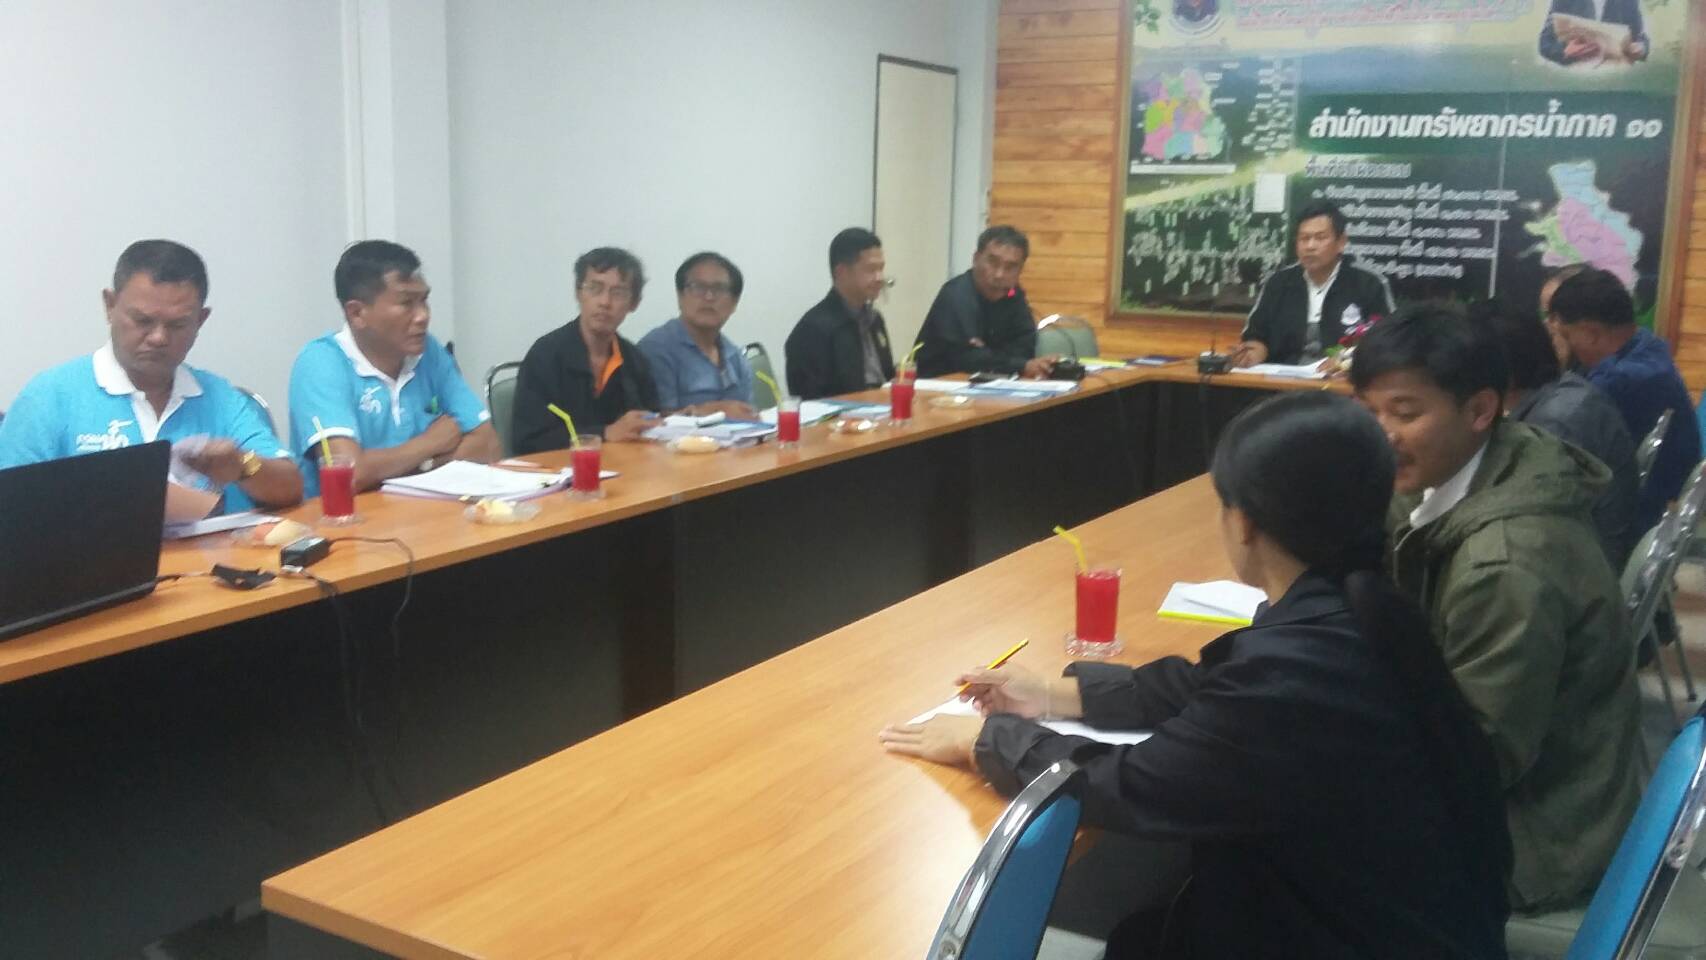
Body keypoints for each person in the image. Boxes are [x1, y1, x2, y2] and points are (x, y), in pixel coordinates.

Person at [879, 391, 1510, 957]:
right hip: (1374, 917)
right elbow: (1208, 685)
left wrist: (985, 741)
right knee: (1140, 935)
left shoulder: (1302, 669)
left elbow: (1127, 786)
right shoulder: (1359, 607)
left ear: (1244, 521)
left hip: (1335, 934)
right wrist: (1050, 693)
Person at [1351, 303, 1642, 912]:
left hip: (1534, 836)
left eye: (1404, 413)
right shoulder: (1491, 459)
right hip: (1552, 792)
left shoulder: (1505, 564)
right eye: (1367, 411)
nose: (1381, 434)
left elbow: (1478, 762)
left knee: (1272, 844)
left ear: (1481, 409)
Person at [0, 240, 301, 520]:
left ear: (200, 320)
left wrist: (242, 466)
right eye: (143, 320)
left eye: (177, 325)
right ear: (109, 305)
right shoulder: (49, 398)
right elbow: (11, 511)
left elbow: (291, 488)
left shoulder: (217, 396)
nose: (158, 338)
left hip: (211, 558)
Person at [288, 240, 499, 496]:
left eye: (424, 300)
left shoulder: (428, 351)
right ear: (357, 313)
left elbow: (488, 444)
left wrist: (420, 465)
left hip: (421, 511)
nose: (423, 316)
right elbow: (350, 475)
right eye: (407, 303)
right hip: (345, 517)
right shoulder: (321, 362)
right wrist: (430, 443)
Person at [1474, 298, 1637, 567]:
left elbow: (1525, 519)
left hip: (1582, 569)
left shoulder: (1556, 423)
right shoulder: (1559, 391)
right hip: (1584, 551)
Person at [1547, 266, 1701, 533]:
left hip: (1629, 521)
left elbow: (1555, 439)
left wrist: (1554, 365)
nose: (1562, 343)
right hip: (1652, 505)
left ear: (1591, 334)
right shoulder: (1645, 345)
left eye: (1565, 335)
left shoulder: (1618, 381)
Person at [512, 247, 660, 453]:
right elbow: (527, 440)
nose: (605, 302)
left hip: (622, 467)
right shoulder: (545, 356)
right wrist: (605, 433)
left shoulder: (635, 361)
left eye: (618, 293)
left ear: (634, 303)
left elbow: (649, 424)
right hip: (559, 469)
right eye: (595, 288)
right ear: (578, 293)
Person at [1233, 200, 1394, 367]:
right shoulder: (1278, 284)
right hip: (1283, 379)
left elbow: (1387, 342)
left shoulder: (1368, 284)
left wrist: (1346, 360)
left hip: (1341, 379)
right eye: (1304, 238)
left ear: (1341, 242)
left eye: (1320, 238)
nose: (1310, 246)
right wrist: (1254, 352)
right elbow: (1256, 335)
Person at [913, 225, 1055, 379]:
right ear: (975, 259)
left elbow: (1024, 349)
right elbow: (967, 359)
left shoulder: (1013, 295)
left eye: (1010, 267)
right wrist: (1014, 363)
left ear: (1020, 270)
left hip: (993, 383)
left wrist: (990, 355)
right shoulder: (956, 295)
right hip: (938, 384)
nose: (999, 274)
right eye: (993, 262)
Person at [637, 252, 756, 418]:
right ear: (680, 297)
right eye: (698, 287)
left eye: (719, 289)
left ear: (734, 303)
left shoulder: (734, 355)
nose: (709, 297)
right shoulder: (657, 349)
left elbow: (749, 416)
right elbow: (653, 421)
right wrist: (712, 411)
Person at [784, 228, 895, 400]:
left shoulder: (875, 320)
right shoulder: (812, 330)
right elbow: (811, 402)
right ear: (841, 272)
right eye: (871, 269)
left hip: (882, 410)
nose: (880, 277)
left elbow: (888, 378)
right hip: (845, 415)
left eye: (881, 268)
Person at [1538, 0, 1648, 64]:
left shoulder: (1628, 2)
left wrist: (1640, 48)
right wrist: (1564, 51)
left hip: (1614, 77)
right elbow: (1544, 44)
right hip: (1576, 77)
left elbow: (1641, 38)